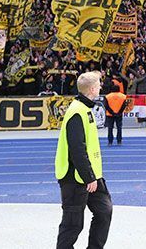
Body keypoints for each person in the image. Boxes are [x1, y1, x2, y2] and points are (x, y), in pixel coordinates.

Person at [55, 71, 112, 249]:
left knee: (104, 211)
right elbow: (77, 150)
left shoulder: (85, 109)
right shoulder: (76, 112)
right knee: (72, 225)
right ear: (93, 89)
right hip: (75, 178)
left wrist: (94, 177)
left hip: (91, 176)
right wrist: (89, 177)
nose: (101, 86)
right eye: (99, 84)